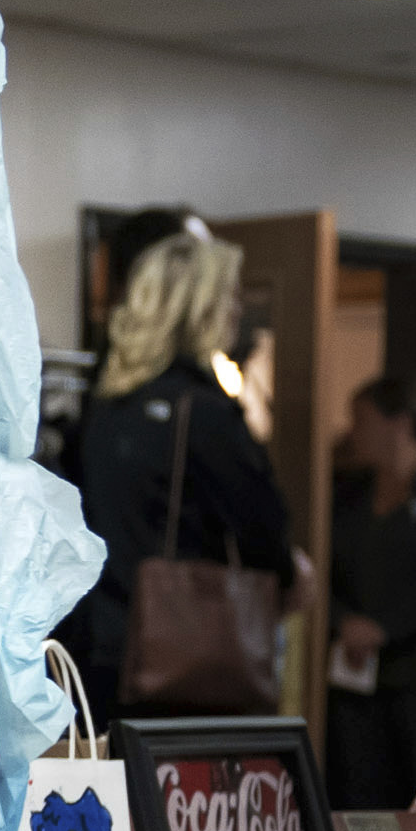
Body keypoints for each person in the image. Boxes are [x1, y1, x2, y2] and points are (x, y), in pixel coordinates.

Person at [68, 222, 290, 708]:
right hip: (179, 654)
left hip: (101, 643)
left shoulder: (106, 405)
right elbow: (262, 529)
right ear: (203, 307)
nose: (237, 309)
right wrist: (295, 576)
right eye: (230, 296)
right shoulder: (205, 412)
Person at [332, 379, 416, 812]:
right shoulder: (347, 494)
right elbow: (327, 570)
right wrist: (344, 621)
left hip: (410, 678)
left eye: (362, 420)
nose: (354, 432)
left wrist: (387, 629)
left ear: (398, 423)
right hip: (355, 683)